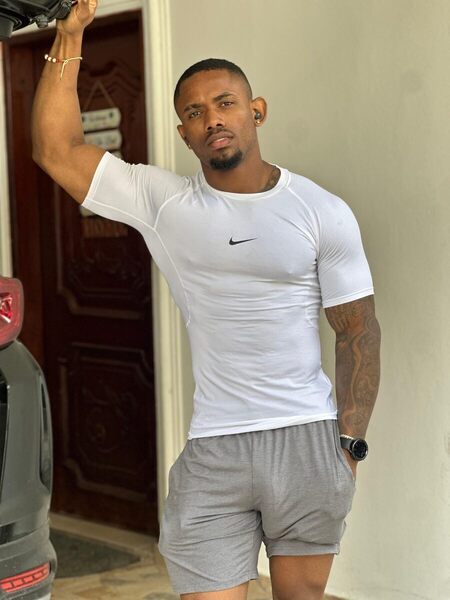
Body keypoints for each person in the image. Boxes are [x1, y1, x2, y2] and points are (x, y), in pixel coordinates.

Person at [31, 1, 381, 599]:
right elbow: (55, 150)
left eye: (225, 103)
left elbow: (358, 331)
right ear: (183, 133)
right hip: (216, 449)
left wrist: (349, 444)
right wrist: (70, 35)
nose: (212, 119)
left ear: (256, 111)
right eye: (194, 112)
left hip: (307, 439)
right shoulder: (164, 203)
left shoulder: (321, 211)